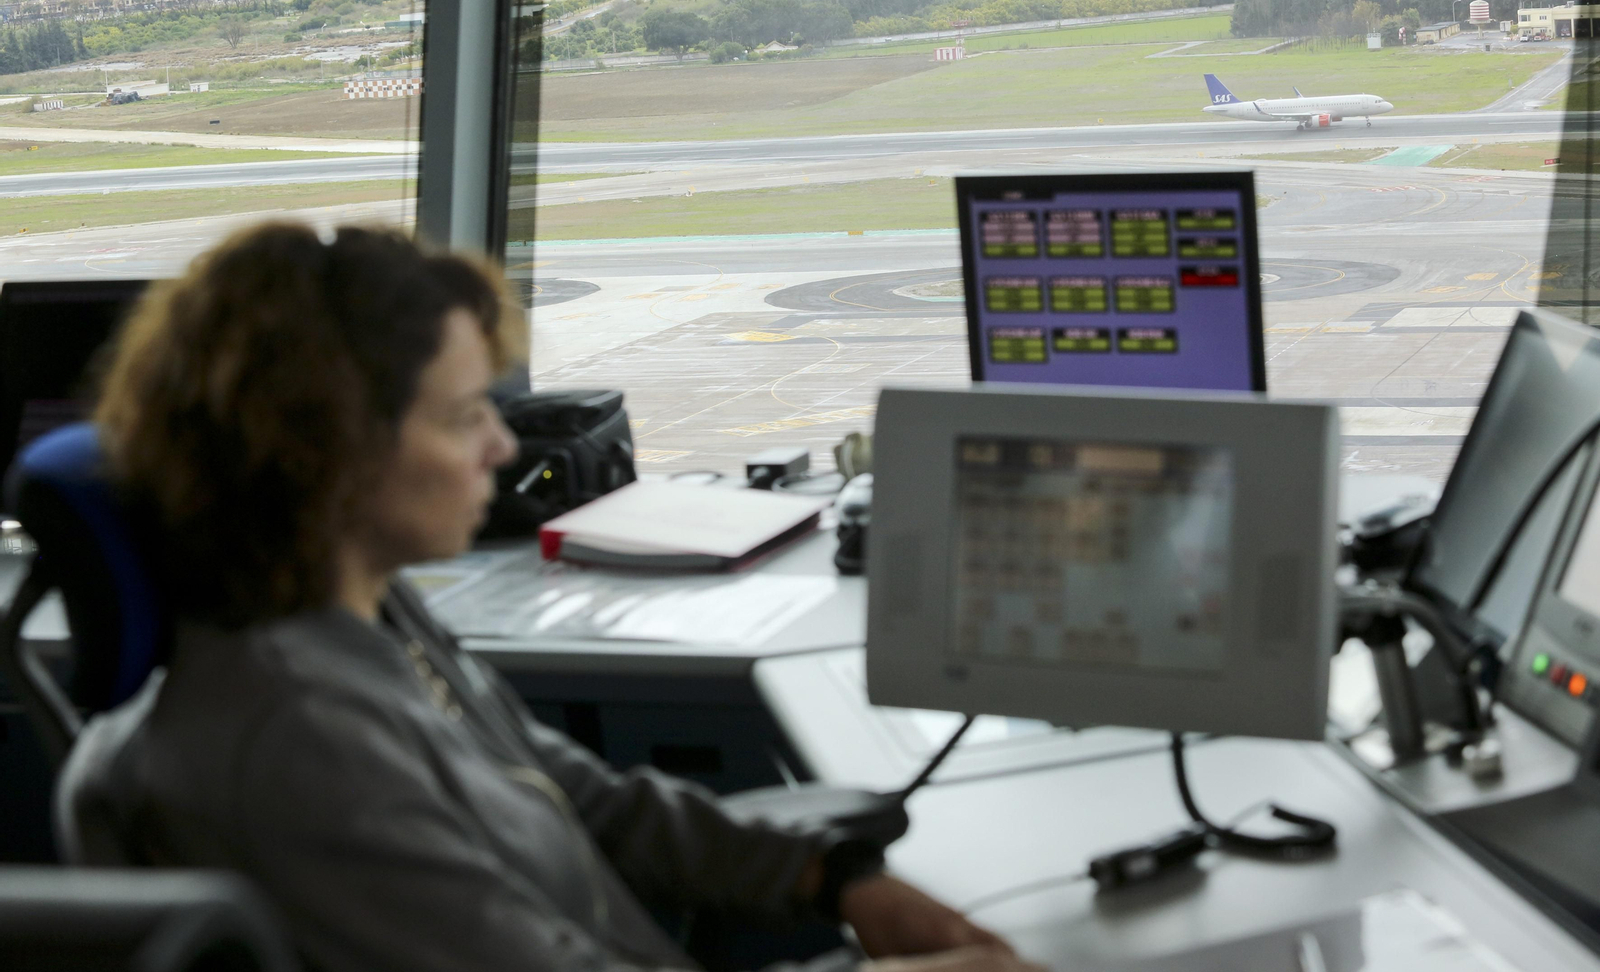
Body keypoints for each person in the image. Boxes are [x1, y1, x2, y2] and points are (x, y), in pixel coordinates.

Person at [59, 222, 1044, 972]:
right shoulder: (292, 743)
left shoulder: (355, 611)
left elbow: (582, 796)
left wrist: (826, 876)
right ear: (327, 455)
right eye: (462, 414)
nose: (501, 445)